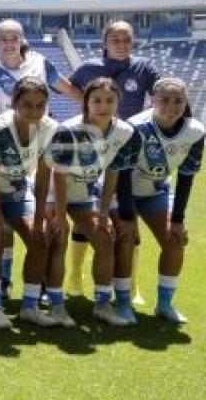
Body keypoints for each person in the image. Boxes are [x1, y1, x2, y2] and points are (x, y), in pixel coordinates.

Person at [67, 20, 162, 301]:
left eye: (127, 39)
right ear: (105, 42)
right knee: (87, 215)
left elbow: (163, 95)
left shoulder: (144, 68)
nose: (122, 44)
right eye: (116, 39)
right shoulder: (88, 68)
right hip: (92, 148)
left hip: (129, 147)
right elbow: (72, 89)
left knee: (126, 215)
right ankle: (74, 275)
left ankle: (131, 284)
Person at [0, 19, 80, 298]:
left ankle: (41, 284)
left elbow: (70, 90)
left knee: (44, 219)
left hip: (38, 146)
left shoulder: (41, 64)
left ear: (22, 40)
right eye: (3, 38)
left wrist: (97, 112)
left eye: (14, 37)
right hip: (6, 147)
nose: (9, 43)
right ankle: (3, 282)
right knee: (3, 225)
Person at [0, 77, 74, 327]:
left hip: (18, 192)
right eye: (27, 105)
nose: (34, 111)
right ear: (14, 103)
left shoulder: (53, 129)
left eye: (40, 105)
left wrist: (39, 218)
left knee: (40, 237)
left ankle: (30, 307)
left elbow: (44, 180)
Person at [47, 77, 138, 326]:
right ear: (86, 102)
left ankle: (102, 304)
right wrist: (61, 216)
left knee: (105, 238)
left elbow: (112, 173)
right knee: (59, 239)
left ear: (118, 102)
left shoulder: (125, 131)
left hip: (84, 194)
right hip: (56, 193)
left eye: (110, 100)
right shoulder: (70, 129)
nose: (103, 106)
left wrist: (104, 211)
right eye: (96, 100)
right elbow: (59, 174)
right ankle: (56, 305)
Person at [115, 78, 204, 324]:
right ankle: (122, 302)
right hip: (122, 192)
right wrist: (126, 216)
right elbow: (122, 175)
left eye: (178, 100)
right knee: (126, 239)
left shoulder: (195, 132)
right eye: (164, 99)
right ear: (152, 101)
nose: (171, 106)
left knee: (176, 240)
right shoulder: (135, 127)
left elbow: (186, 177)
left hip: (156, 191)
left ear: (185, 103)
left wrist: (178, 220)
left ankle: (164, 304)